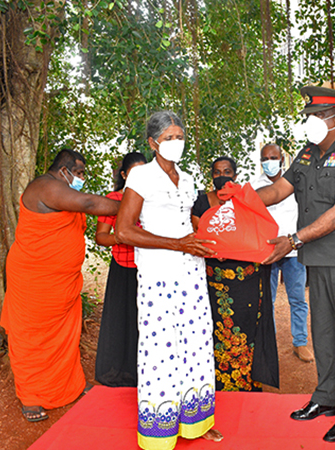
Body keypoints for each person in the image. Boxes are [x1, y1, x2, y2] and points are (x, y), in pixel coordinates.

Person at [257, 86, 335, 443]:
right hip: (318, 259)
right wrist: (234, 201)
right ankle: (325, 399)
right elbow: (278, 190)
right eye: (307, 115)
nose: (309, 122)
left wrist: (293, 240)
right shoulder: (307, 154)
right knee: (323, 334)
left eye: (316, 116)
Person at [115, 111, 223, 449]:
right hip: (159, 275)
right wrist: (177, 244)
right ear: (152, 143)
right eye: (169, 138)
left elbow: (187, 226)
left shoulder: (188, 179)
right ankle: (160, 432)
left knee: (197, 342)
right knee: (161, 349)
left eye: (180, 137)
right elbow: (123, 229)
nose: (176, 143)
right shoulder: (141, 178)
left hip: (190, 273)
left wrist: (205, 242)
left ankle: (196, 421)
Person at [1, 149, 120, 422]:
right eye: (78, 173)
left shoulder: (61, 191)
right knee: (31, 338)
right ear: (64, 170)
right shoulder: (46, 186)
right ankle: (30, 398)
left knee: (65, 337)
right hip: (34, 281)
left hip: (62, 285)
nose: (80, 179)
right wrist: (133, 203)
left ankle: (72, 387)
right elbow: (90, 205)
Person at [191, 156, 280, 392]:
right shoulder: (201, 201)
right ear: (211, 176)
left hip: (246, 279)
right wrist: (213, 249)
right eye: (217, 172)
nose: (222, 177)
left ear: (236, 174)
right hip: (215, 280)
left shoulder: (245, 199)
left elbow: (257, 230)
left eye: (227, 171)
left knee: (247, 328)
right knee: (217, 330)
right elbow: (197, 233)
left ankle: (247, 383)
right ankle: (219, 384)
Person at [250, 143, 313, 364]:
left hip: (293, 250)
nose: (269, 162)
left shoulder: (296, 184)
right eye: (265, 158)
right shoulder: (253, 186)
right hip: (267, 251)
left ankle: (300, 343)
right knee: (267, 300)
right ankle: (270, 344)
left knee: (297, 299)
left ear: (282, 159)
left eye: (273, 157)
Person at [94, 152, 147, 387]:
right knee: (119, 320)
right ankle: (116, 371)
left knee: (144, 321)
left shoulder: (153, 198)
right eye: (134, 173)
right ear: (124, 175)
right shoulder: (113, 199)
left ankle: (143, 372)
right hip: (122, 268)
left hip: (149, 268)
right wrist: (123, 237)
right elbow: (101, 237)